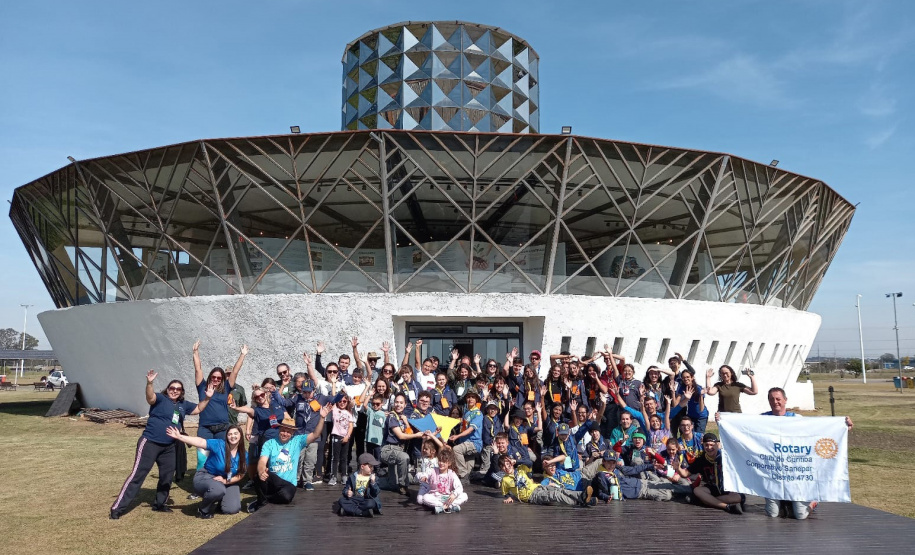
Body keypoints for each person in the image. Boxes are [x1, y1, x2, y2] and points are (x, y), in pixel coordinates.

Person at [110, 370, 214, 519]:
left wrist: (208, 398)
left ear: (181, 391)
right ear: (168, 389)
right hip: (150, 443)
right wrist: (150, 383)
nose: (175, 391)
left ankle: (159, 504)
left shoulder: (183, 404)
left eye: (178, 389)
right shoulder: (160, 398)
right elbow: (150, 397)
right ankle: (117, 508)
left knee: (166, 476)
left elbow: (198, 408)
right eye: (172, 388)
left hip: (170, 446)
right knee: (138, 475)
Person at [757, 386, 854, 519]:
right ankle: (784, 503)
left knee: (801, 515)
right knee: (772, 513)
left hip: (795, 472)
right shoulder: (761, 420)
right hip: (773, 472)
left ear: (785, 400)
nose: (775, 402)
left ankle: (813, 500)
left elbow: (817, 431)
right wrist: (722, 420)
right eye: (772, 399)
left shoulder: (797, 419)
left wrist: (843, 427)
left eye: (778, 399)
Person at [248, 408, 330, 513]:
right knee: (259, 475)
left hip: (288, 484)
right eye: (283, 430)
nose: (285, 433)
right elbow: (262, 461)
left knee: (286, 498)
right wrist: (260, 470)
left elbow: (315, 435)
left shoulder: (297, 441)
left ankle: (263, 499)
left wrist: (322, 418)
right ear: (279, 429)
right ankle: (261, 504)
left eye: (288, 431)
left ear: (292, 433)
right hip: (274, 480)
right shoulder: (270, 443)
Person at [166, 424, 247, 518]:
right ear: (226, 436)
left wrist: (226, 481)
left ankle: (220, 502)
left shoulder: (244, 455)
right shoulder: (219, 444)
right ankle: (203, 509)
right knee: (218, 489)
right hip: (207, 476)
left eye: (235, 433)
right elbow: (200, 441)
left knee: (232, 509)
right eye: (230, 434)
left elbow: (241, 474)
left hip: (226, 480)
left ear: (240, 435)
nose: (233, 436)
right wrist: (180, 436)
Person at [192, 341, 248, 471]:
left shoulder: (227, 387)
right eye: (213, 377)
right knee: (202, 457)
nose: (216, 379)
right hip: (205, 428)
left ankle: (221, 479)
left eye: (218, 378)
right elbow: (198, 369)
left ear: (222, 379)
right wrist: (195, 352)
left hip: (222, 428)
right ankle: (201, 482)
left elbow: (235, 371)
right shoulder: (202, 387)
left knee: (222, 456)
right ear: (210, 377)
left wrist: (242, 355)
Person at [685, 432, 745, 515]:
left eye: (712, 445)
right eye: (706, 445)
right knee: (697, 490)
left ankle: (706, 501)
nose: (709, 448)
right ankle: (726, 506)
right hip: (713, 488)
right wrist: (677, 468)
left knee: (738, 497)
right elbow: (685, 474)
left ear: (717, 445)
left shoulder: (726, 456)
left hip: (728, 488)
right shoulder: (701, 460)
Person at [500, 455, 593, 507]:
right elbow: (506, 493)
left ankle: (583, 496)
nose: (507, 466)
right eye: (504, 466)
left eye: (508, 463)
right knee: (555, 495)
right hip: (532, 496)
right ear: (501, 469)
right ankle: (583, 500)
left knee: (560, 490)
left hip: (538, 487)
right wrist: (510, 497)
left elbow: (529, 462)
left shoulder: (521, 469)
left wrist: (516, 461)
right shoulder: (505, 480)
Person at [380, 393, 426, 495]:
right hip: (389, 449)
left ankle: (373, 481)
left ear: (405, 405)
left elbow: (409, 432)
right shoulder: (392, 416)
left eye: (401, 403)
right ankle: (404, 486)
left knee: (392, 484)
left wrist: (406, 422)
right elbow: (401, 436)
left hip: (399, 451)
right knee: (404, 457)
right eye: (396, 402)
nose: (398, 405)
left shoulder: (403, 417)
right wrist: (417, 435)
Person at [417, 446, 468, 514]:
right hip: (436, 497)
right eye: (440, 461)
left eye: (444, 462)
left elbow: (459, 487)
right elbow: (422, 474)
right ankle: (448, 507)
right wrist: (423, 476)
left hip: (448, 497)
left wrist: (454, 494)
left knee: (464, 496)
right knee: (425, 498)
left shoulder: (452, 473)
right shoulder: (433, 470)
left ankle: (444, 507)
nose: (441, 463)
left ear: (449, 463)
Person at [448, 391, 483, 478]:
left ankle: (464, 474)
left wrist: (457, 436)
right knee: (468, 474)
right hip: (465, 443)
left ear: (476, 400)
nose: (470, 399)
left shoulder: (478, 413)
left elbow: (470, 430)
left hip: (473, 443)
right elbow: (461, 422)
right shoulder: (467, 412)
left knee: (456, 449)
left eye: (473, 397)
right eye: (468, 397)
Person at [337, 453, 382, 517]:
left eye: (373, 467)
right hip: (355, 498)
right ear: (362, 467)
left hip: (366, 499)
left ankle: (348, 511)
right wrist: (347, 492)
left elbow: (376, 493)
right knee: (341, 500)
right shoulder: (353, 477)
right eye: (370, 466)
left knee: (371, 503)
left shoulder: (374, 478)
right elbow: (345, 489)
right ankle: (362, 513)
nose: (372, 468)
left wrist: (373, 483)